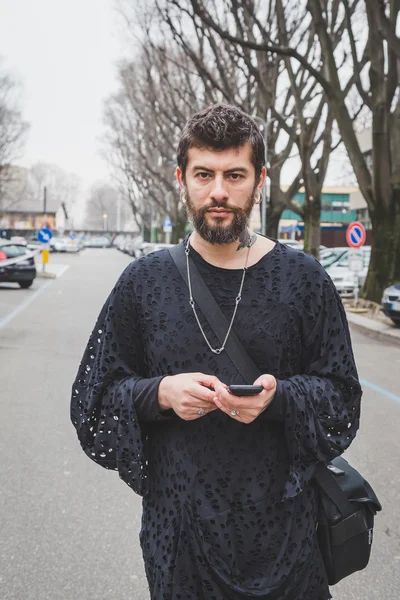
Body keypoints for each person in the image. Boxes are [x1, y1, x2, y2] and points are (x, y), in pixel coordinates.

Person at [71, 104, 362, 600]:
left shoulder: (305, 280)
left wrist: (280, 400)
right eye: (204, 174)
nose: (219, 192)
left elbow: (343, 402)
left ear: (260, 180)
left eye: (235, 174)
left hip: (288, 545)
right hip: (180, 544)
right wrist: (159, 393)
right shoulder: (143, 283)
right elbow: (91, 403)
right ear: (181, 178)